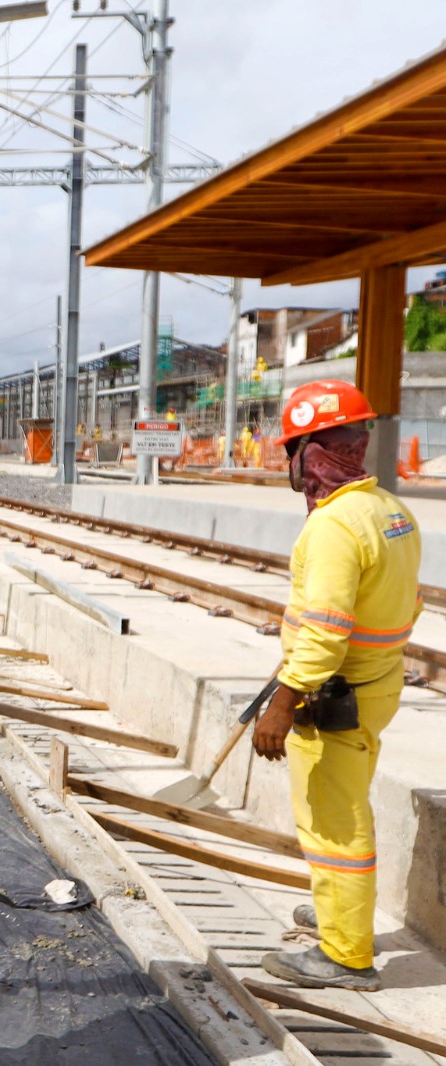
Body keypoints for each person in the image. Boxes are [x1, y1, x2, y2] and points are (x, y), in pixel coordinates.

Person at [253, 380, 420, 992]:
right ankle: (337, 910)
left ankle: (346, 955)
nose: (291, 465)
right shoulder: (390, 511)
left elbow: (326, 628)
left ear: (313, 454)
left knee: (334, 824)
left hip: (334, 698)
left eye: (293, 451)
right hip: (375, 686)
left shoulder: (333, 526)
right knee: (345, 808)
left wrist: (284, 699)